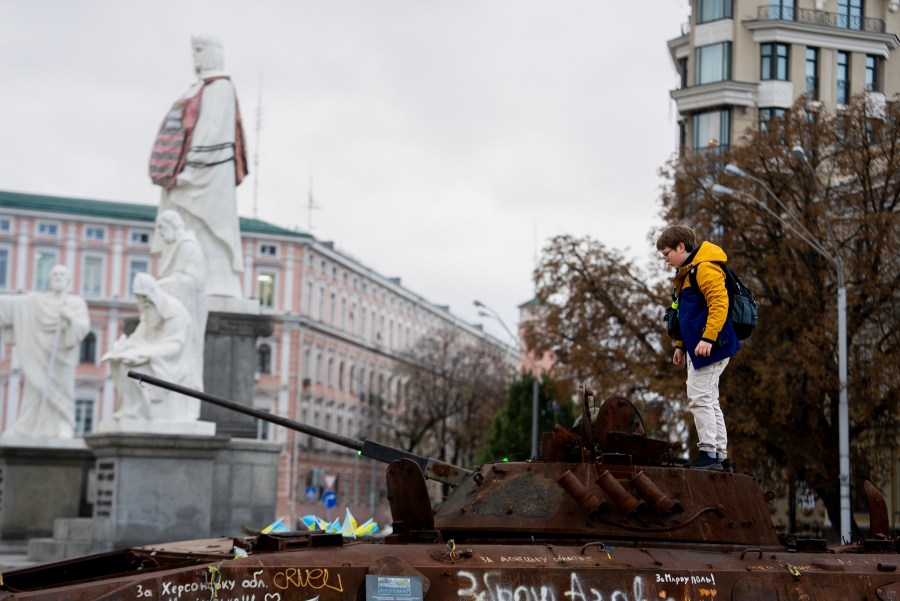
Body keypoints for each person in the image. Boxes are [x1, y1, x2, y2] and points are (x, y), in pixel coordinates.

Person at [149, 34, 248, 299]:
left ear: (214, 53)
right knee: (182, 224)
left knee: (207, 226)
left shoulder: (221, 88)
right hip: (185, 173)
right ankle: (179, 275)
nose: (195, 56)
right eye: (193, 52)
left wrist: (190, 169)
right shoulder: (197, 88)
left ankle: (214, 282)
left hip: (207, 175)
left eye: (200, 50)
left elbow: (212, 131)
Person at [657, 225, 739, 471]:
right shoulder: (688, 272)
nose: (666, 260)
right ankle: (720, 456)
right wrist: (681, 345)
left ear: (681, 246)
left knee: (699, 397)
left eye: (667, 254)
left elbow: (719, 303)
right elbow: (688, 315)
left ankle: (709, 453)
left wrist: (708, 339)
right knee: (709, 400)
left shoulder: (704, 268)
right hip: (700, 346)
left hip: (711, 346)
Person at [0, 265, 90, 438]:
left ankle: (63, 424)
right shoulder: (35, 301)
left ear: (68, 280)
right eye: (54, 274)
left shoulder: (75, 303)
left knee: (63, 389)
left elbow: (83, 328)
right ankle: (26, 427)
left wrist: (69, 317)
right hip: (38, 355)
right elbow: (8, 306)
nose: (58, 277)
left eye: (62, 274)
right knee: (34, 389)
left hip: (62, 357)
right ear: (49, 279)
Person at [102, 273, 195, 421]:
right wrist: (122, 348)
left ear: (154, 294)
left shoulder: (175, 311)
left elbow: (175, 345)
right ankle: (130, 408)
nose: (143, 302)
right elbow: (138, 338)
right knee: (119, 363)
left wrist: (148, 353)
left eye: (145, 297)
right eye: (139, 297)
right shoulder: (149, 312)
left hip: (170, 364)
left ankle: (139, 411)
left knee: (131, 369)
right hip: (152, 357)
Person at [155, 209, 208, 392]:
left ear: (173, 225)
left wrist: (157, 288)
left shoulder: (188, 245)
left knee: (185, 355)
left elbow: (187, 280)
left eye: (162, 228)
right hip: (177, 309)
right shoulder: (179, 246)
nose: (160, 233)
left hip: (188, 309)